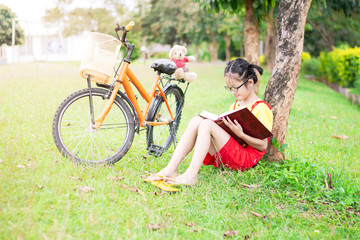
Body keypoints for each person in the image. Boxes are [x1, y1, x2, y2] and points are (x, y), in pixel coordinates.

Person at [146, 58, 273, 187]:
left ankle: (191, 175)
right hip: (231, 152)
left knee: (207, 124)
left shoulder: (261, 109)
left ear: (250, 82)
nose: (233, 92)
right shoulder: (235, 105)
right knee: (197, 120)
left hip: (245, 158)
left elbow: (262, 146)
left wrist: (240, 134)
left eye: (236, 88)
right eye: (229, 88)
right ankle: (170, 169)